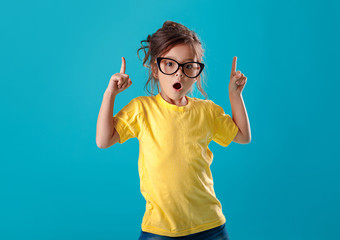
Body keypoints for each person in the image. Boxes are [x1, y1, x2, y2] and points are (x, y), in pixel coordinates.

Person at [96, 20, 251, 240]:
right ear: (155, 69)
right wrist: (109, 94)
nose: (179, 74)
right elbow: (103, 140)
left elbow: (243, 136)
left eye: (188, 66)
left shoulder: (206, 111)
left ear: (197, 72)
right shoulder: (142, 109)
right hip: (160, 231)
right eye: (169, 64)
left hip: (210, 227)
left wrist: (235, 95)